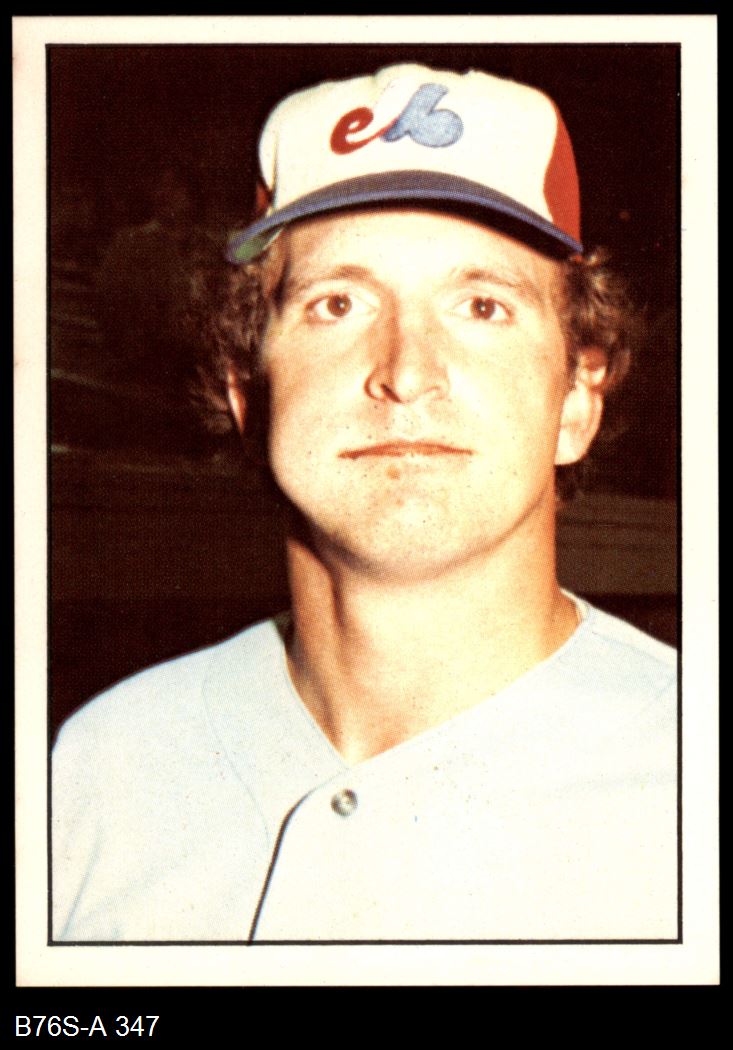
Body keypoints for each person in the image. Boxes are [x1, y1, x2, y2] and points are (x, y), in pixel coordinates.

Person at [53, 64, 677, 942]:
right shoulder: (98, 767)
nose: (406, 372)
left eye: (482, 306)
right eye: (336, 303)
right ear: (246, 392)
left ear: (577, 398)